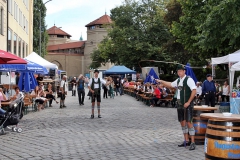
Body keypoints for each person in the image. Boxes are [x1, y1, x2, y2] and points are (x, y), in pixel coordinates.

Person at [156, 65, 196, 150]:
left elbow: (194, 90)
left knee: (189, 123)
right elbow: (170, 84)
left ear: (184, 71)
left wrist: (188, 102)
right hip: (180, 105)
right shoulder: (178, 80)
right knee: (182, 122)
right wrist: (161, 81)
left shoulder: (189, 79)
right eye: (178, 71)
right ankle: (186, 140)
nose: (179, 73)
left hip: (187, 105)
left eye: (180, 71)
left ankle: (193, 142)